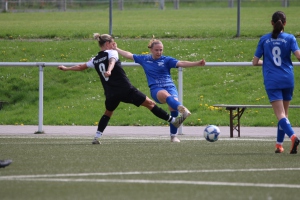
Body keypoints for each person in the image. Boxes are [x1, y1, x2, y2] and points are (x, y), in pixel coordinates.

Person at [58, 33, 187, 144]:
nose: (114, 44)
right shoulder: (112, 52)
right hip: (125, 89)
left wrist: (66, 68)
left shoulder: (95, 59)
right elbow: (112, 61)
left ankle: (97, 136)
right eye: (113, 42)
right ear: (108, 43)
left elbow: (81, 66)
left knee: (108, 112)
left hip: (110, 92)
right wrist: (109, 70)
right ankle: (173, 120)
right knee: (150, 104)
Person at [113, 38, 206, 142]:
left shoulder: (166, 60)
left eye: (161, 50)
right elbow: (129, 55)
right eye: (157, 50)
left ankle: (173, 136)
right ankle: (183, 110)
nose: (159, 52)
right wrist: (116, 49)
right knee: (166, 96)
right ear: (151, 50)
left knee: (172, 106)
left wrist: (197, 63)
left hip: (170, 87)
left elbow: (181, 63)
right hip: (156, 88)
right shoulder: (144, 59)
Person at [252, 11, 300, 154]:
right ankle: (279, 145)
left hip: (273, 79)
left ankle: (293, 137)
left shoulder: (264, 39)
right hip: (288, 78)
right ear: (285, 23)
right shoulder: (290, 38)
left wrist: (266, 62)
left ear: (272, 23)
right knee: (285, 114)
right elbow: (298, 56)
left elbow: (255, 62)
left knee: (280, 115)